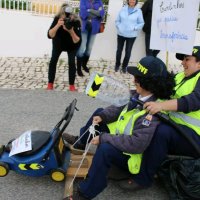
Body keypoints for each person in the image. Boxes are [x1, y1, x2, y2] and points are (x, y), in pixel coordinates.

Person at [63, 56, 175, 199]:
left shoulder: (153, 112)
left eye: (137, 78)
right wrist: (103, 116)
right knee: (99, 113)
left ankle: (84, 194)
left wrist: (104, 138)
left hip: (131, 157)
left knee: (105, 149)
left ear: (148, 83)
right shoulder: (138, 94)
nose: (134, 80)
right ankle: (80, 143)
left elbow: (136, 145)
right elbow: (118, 107)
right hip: (123, 140)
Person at [133, 46, 200, 187]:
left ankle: (143, 179)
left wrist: (161, 106)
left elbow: (193, 101)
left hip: (194, 136)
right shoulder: (181, 76)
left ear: (199, 63)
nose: (183, 63)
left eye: (187, 59)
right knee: (144, 120)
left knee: (162, 133)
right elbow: (163, 92)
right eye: (182, 59)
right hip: (174, 125)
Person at [47, 3, 81, 91]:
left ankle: (72, 86)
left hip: (72, 45)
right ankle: (50, 84)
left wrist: (71, 31)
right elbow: (49, 35)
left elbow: (77, 40)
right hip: (58, 43)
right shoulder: (57, 19)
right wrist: (58, 25)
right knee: (53, 60)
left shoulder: (75, 20)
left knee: (71, 62)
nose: (66, 18)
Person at [76, 0, 105, 77]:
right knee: (82, 48)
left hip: (94, 28)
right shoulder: (83, 1)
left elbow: (102, 13)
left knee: (89, 48)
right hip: (84, 27)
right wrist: (96, 13)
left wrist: (90, 10)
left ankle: (84, 65)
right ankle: (78, 69)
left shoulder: (99, 1)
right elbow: (83, 14)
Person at [114, 0, 144, 73]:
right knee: (119, 51)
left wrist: (134, 28)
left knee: (128, 52)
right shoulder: (123, 9)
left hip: (131, 35)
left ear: (136, 1)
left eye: (133, 0)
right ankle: (117, 64)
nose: (132, 1)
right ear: (128, 1)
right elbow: (117, 21)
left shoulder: (138, 11)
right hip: (121, 34)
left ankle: (124, 66)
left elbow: (141, 23)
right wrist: (119, 27)